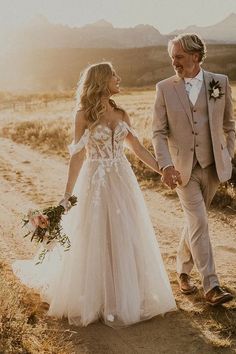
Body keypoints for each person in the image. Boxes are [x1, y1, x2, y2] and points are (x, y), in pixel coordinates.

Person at [13, 62, 176, 327]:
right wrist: (66, 196)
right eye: (114, 75)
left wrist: (163, 170)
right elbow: (77, 156)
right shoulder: (83, 115)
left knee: (126, 232)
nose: (119, 78)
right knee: (95, 235)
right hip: (95, 183)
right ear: (102, 81)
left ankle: (128, 294)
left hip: (122, 180)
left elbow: (137, 148)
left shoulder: (122, 113)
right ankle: (96, 297)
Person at [152, 33, 235, 306]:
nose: (174, 62)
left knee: (194, 222)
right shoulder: (164, 88)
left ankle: (183, 271)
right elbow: (158, 132)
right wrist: (165, 165)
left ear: (195, 57)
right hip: (181, 170)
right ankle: (211, 285)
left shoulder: (219, 83)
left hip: (212, 168)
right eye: (172, 57)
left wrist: (228, 153)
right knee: (199, 221)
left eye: (179, 56)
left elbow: (229, 124)